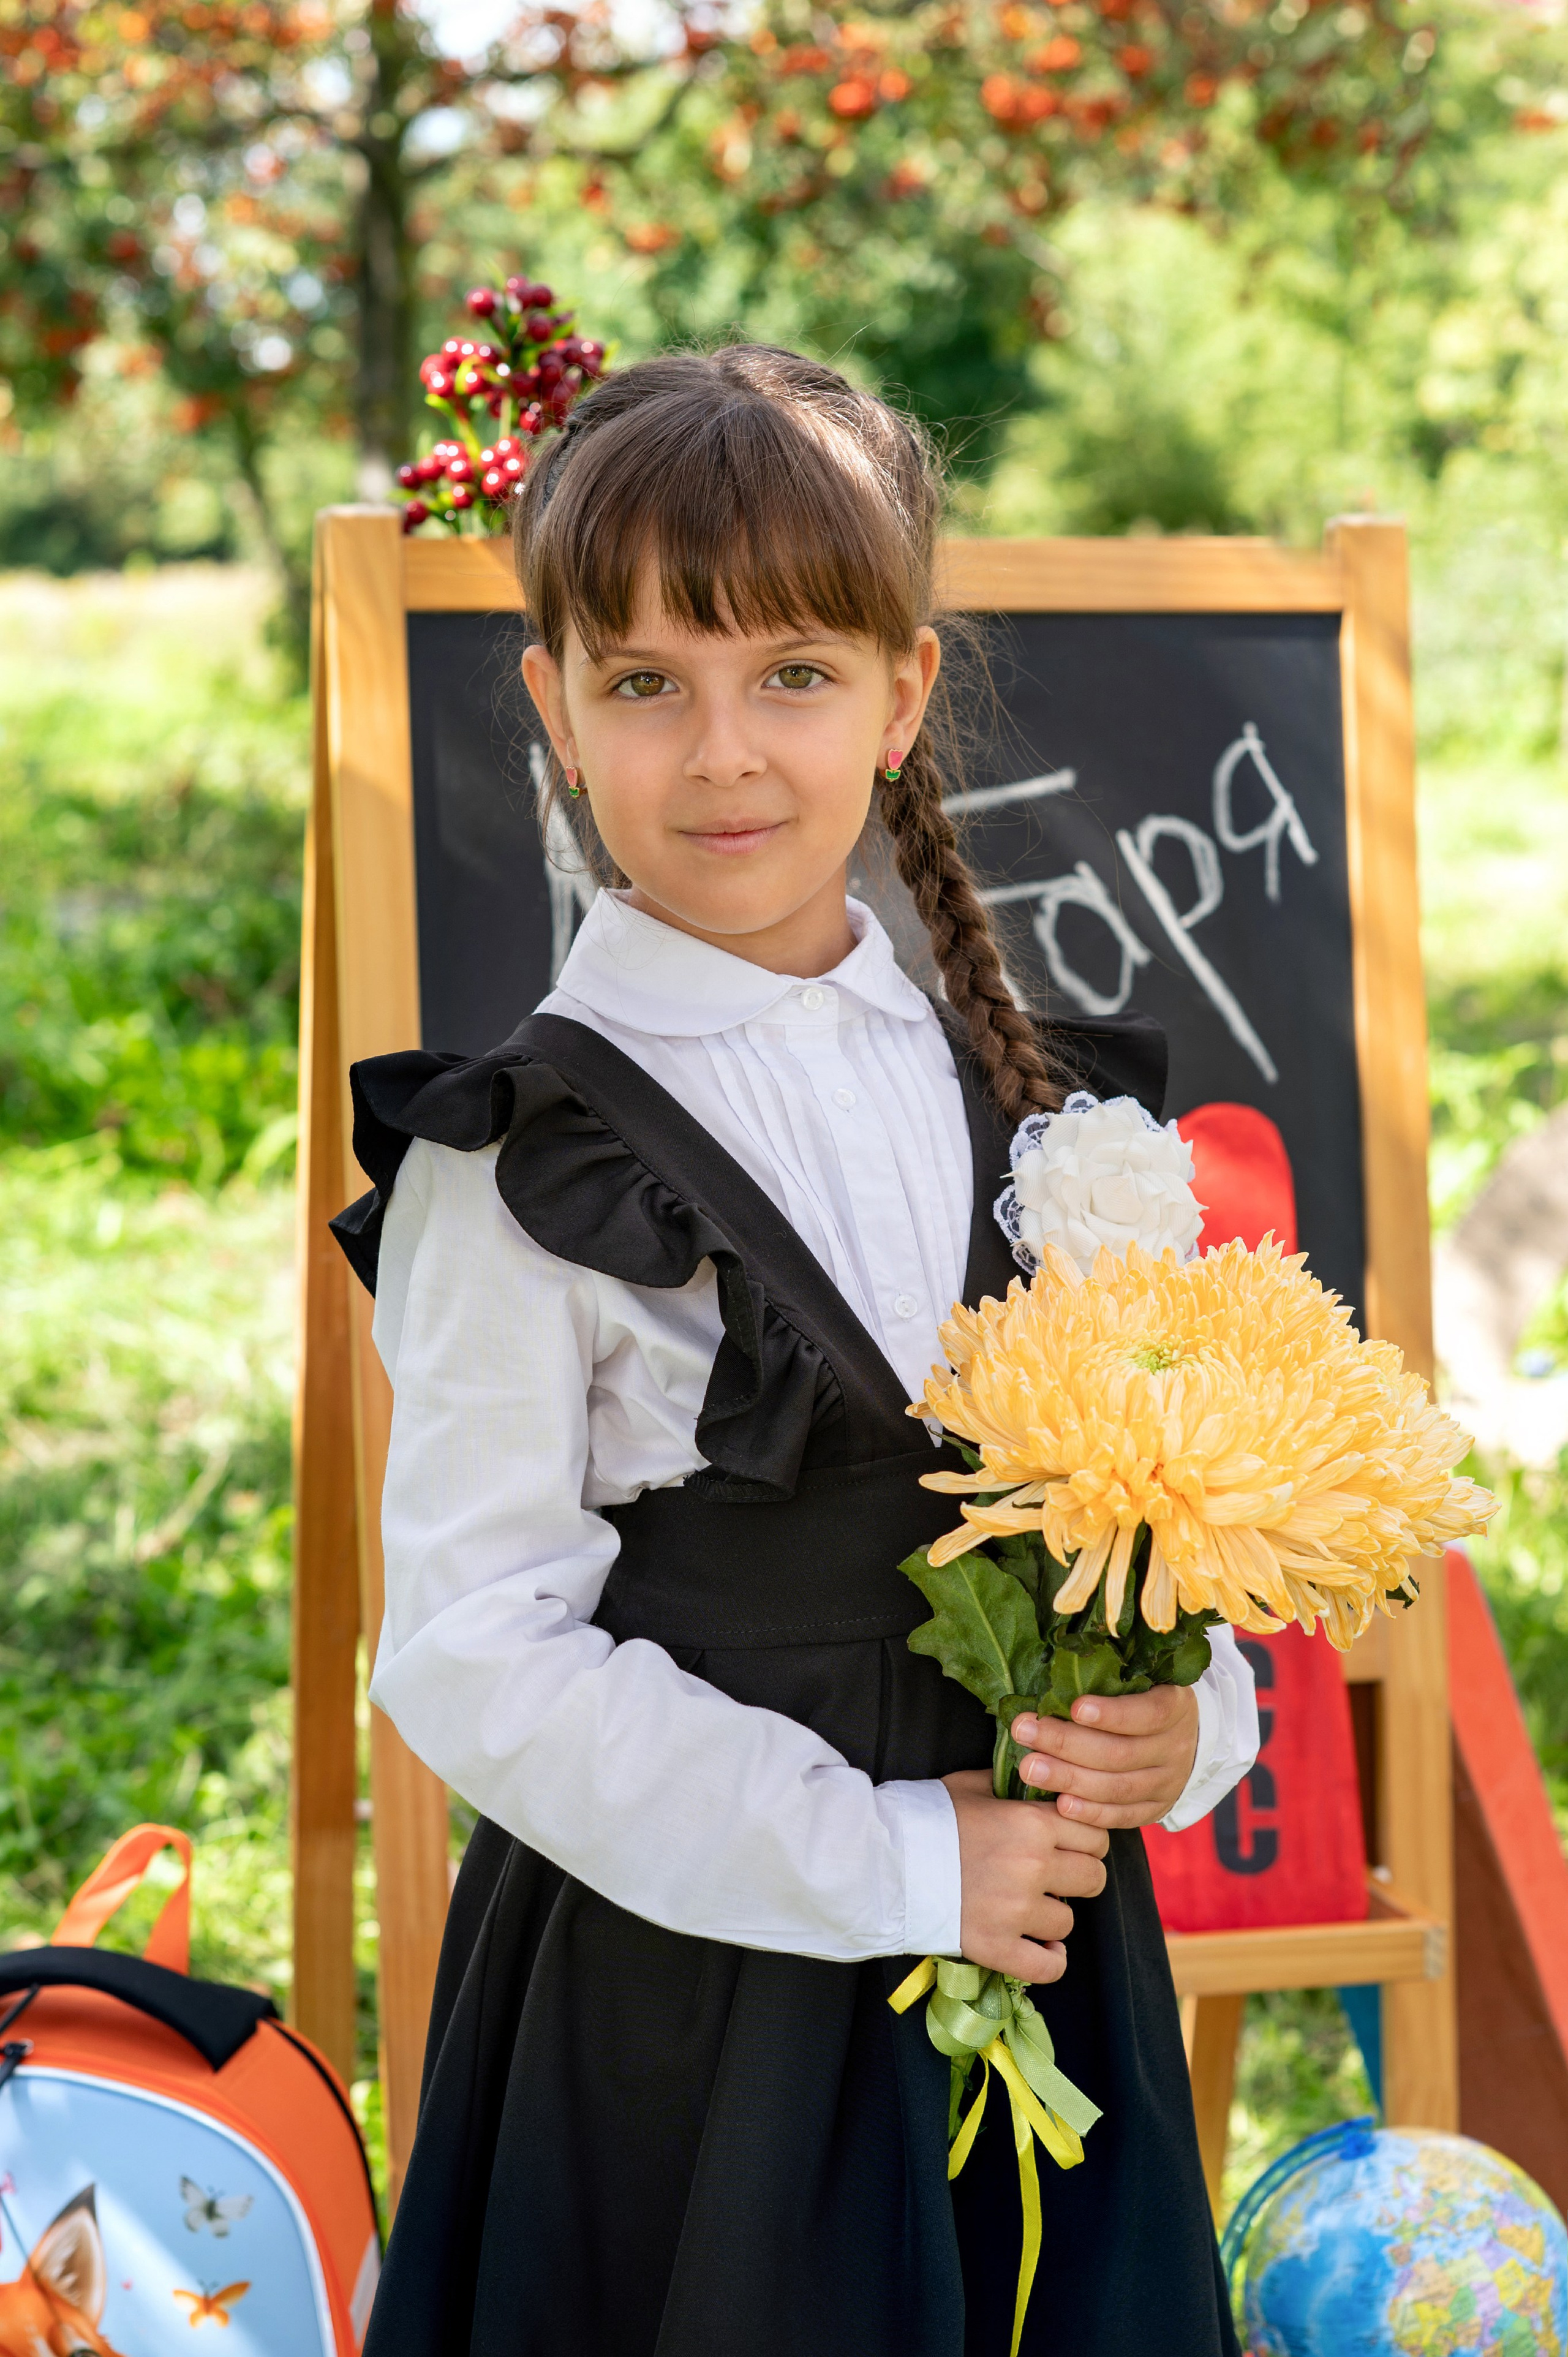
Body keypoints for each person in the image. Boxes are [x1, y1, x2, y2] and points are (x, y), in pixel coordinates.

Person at [334, 345, 1258, 2357]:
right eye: (647, 682)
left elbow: (1157, 1538)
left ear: (904, 694)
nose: (725, 752)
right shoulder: (525, 1160)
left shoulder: (1038, 1115)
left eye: (796, 677)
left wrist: (1195, 1726)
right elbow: (473, 1646)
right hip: (691, 2016)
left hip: (1041, 1960)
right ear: (552, 711)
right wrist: (888, 1856)